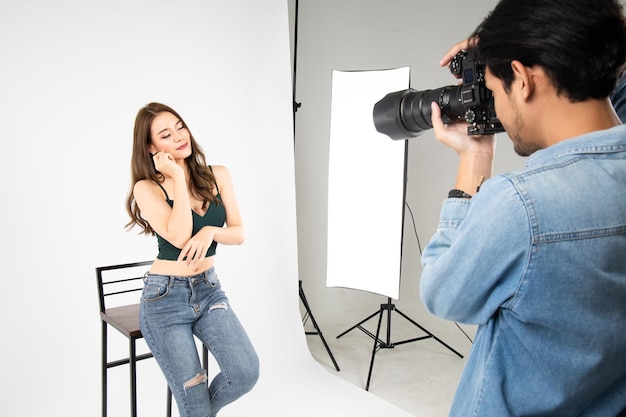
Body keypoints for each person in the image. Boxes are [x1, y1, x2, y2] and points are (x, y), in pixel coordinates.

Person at [419, 1, 626, 416]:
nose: (494, 109)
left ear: (524, 79)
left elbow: (442, 295)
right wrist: (526, 39)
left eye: (493, 91)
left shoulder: (520, 205)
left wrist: (473, 161)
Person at [125, 102, 259, 417]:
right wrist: (177, 177)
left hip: (209, 289)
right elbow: (181, 236)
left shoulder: (219, 174)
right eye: (165, 134)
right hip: (164, 299)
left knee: (245, 372)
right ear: (151, 147)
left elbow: (238, 233)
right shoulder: (147, 188)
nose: (179, 137)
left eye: (180, 126)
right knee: (193, 397)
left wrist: (211, 231)